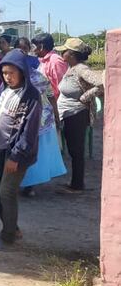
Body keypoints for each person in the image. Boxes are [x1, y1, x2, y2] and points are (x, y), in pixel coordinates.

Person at [0, 49, 42, 246]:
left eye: (11, 73)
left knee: (6, 191)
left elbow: (29, 131)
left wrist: (16, 157)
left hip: (18, 152)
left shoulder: (31, 95)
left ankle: (7, 237)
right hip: (2, 148)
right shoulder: (5, 91)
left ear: (22, 71)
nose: (7, 77)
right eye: (4, 73)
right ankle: (12, 227)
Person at [55, 38, 104, 194]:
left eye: (65, 50)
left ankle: (77, 185)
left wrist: (85, 97)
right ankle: (75, 182)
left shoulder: (81, 69)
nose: (62, 53)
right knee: (73, 149)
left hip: (77, 113)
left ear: (72, 54)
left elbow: (101, 84)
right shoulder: (72, 68)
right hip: (69, 113)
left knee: (76, 151)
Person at [19, 50, 66, 197]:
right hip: (44, 119)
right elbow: (52, 97)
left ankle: (27, 185)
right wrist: (56, 116)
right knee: (39, 152)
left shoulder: (18, 79)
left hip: (28, 120)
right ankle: (30, 185)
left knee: (24, 151)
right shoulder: (41, 77)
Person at [32, 33, 68, 99]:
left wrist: (56, 107)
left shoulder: (55, 61)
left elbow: (61, 88)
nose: (33, 50)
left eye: (34, 47)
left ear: (41, 47)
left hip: (54, 105)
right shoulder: (43, 61)